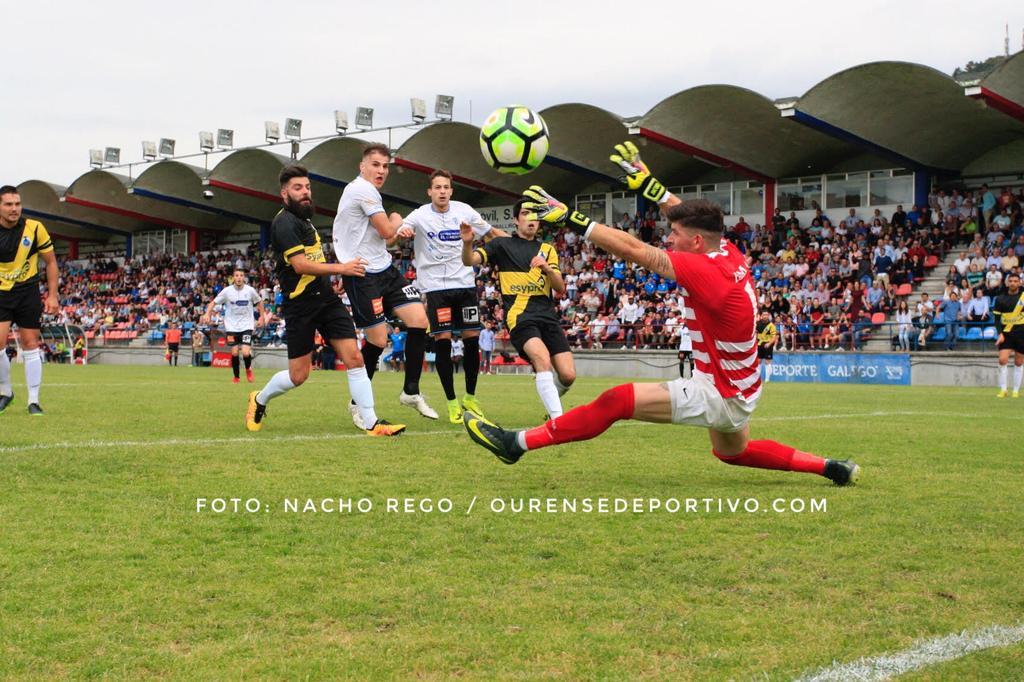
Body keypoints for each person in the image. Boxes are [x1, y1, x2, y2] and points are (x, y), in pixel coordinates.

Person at [462, 141, 858, 486]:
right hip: (741, 386)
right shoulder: (726, 250)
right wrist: (651, 185)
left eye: (675, 237)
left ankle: (516, 444)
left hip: (718, 392)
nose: (670, 239)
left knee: (616, 401)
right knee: (732, 453)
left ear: (696, 242)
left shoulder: (706, 269)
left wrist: (572, 218)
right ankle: (830, 467)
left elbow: (635, 251)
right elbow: (683, 213)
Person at [246, 164, 404, 437]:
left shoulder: (305, 220)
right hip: (300, 306)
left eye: (307, 187)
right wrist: (342, 269)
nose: (305, 192)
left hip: (327, 300)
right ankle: (259, 399)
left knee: (354, 357)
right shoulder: (284, 223)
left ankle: (371, 423)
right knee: (299, 376)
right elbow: (300, 265)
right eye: (298, 188)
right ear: (285, 193)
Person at [332, 143, 437, 428]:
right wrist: (396, 218)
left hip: (385, 269)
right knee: (378, 340)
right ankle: (357, 403)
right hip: (361, 273)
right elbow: (389, 230)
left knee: (418, 321)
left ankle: (411, 391)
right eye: (376, 165)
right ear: (362, 167)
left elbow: (387, 238)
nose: (381, 171)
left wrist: (393, 230)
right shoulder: (361, 190)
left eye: (385, 166)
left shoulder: (368, 192)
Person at [394, 169, 506, 422]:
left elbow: (490, 233)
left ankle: (470, 396)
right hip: (435, 288)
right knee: (443, 340)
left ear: (451, 191)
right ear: (430, 191)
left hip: (465, 284)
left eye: (446, 187)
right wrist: (401, 232)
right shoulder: (420, 214)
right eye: (438, 187)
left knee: (471, 339)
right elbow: (397, 233)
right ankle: (452, 402)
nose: (442, 191)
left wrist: (518, 243)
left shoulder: (464, 210)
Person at [461, 201, 576, 419]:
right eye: (525, 214)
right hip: (520, 316)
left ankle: (551, 406)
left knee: (568, 375)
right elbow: (470, 260)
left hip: (547, 316)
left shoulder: (547, 250)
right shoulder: (502, 244)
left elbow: (560, 288)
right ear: (516, 220)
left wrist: (547, 269)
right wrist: (467, 244)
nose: (531, 219)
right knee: (542, 359)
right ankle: (558, 420)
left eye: (535, 215)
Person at [0, 185, 59, 415]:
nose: (14, 209)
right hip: (1, 294)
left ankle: (33, 401)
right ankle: (6, 392)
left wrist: (53, 295)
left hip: (27, 292)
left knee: (31, 344)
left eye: (17, 204)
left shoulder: (34, 228)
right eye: (8, 204)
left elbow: (51, 262)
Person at [201, 269, 267, 383]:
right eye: (237, 275)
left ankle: (248, 369)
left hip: (247, 325)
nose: (239, 278)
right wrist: (207, 314)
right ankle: (236, 376)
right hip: (231, 326)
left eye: (241, 275)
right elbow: (213, 303)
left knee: (246, 352)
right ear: (233, 278)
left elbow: (259, 302)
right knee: (235, 352)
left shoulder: (250, 290)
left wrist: (262, 317)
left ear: (244, 278)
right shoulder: (227, 291)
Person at [993, 272, 1024, 398]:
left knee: (1019, 362)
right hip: (1006, 334)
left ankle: (1016, 391)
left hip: (1021, 333)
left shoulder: (1023, 298)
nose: (1013, 283)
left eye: (1015, 281)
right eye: (1011, 281)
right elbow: (996, 319)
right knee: (1002, 360)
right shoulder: (1000, 299)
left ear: (1020, 283)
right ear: (1007, 283)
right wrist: (1000, 333)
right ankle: (1003, 389)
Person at [755, 310, 778, 382]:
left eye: (766, 315)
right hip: (759, 344)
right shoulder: (757, 324)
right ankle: (758, 379)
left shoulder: (771, 325)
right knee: (758, 361)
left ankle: (767, 379)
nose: (765, 316)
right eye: (764, 315)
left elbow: (774, 337)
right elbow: (755, 333)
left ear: (768, 316)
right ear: (761, 316)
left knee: (767, 361)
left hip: (768, 345)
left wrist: (769, 343)